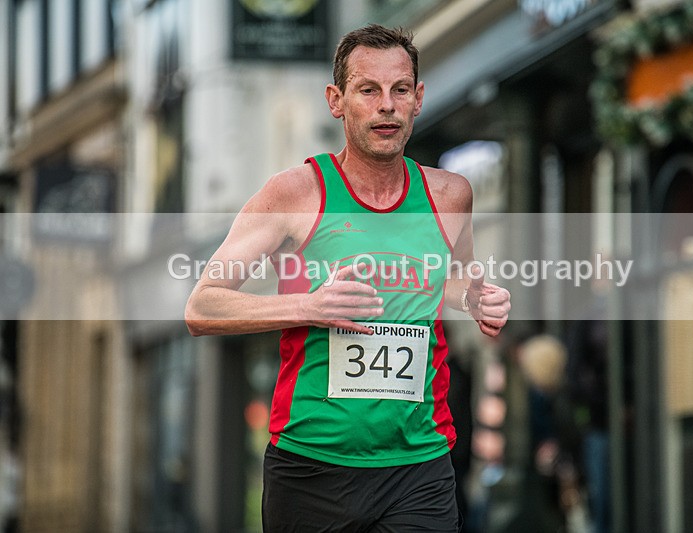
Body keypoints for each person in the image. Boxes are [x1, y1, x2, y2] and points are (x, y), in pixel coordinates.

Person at [185, 24, 511, 532]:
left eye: (400, 90)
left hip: (418, 465)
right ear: (337, 101)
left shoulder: (450, 197)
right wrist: (308, 306)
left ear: (418, 98)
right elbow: (202, 306)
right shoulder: (294, 194)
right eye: (368, 90)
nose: (387, 105)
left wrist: (479, 300)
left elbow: (450, 283)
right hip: (311, 467)